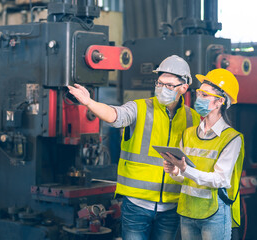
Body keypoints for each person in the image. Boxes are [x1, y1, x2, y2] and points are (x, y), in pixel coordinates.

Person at [68, 55, 200, 240]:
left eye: (169, 85)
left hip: (171, 206)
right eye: (159, 83)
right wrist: (89, 102)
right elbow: (115, 115)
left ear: (184, 88)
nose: (162, 89)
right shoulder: (139, 108)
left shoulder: (192, 118)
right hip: (137, 205)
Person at [161, 68, 245, 240]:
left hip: (213, 214)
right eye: (199, 93)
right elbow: (184, 178)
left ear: (219, 101)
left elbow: (220, 179)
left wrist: (184, 169)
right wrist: (175, 171)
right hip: (188, 211)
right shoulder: (188, 134)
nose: (199, 98)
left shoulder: (232, 138)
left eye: (205, 95)